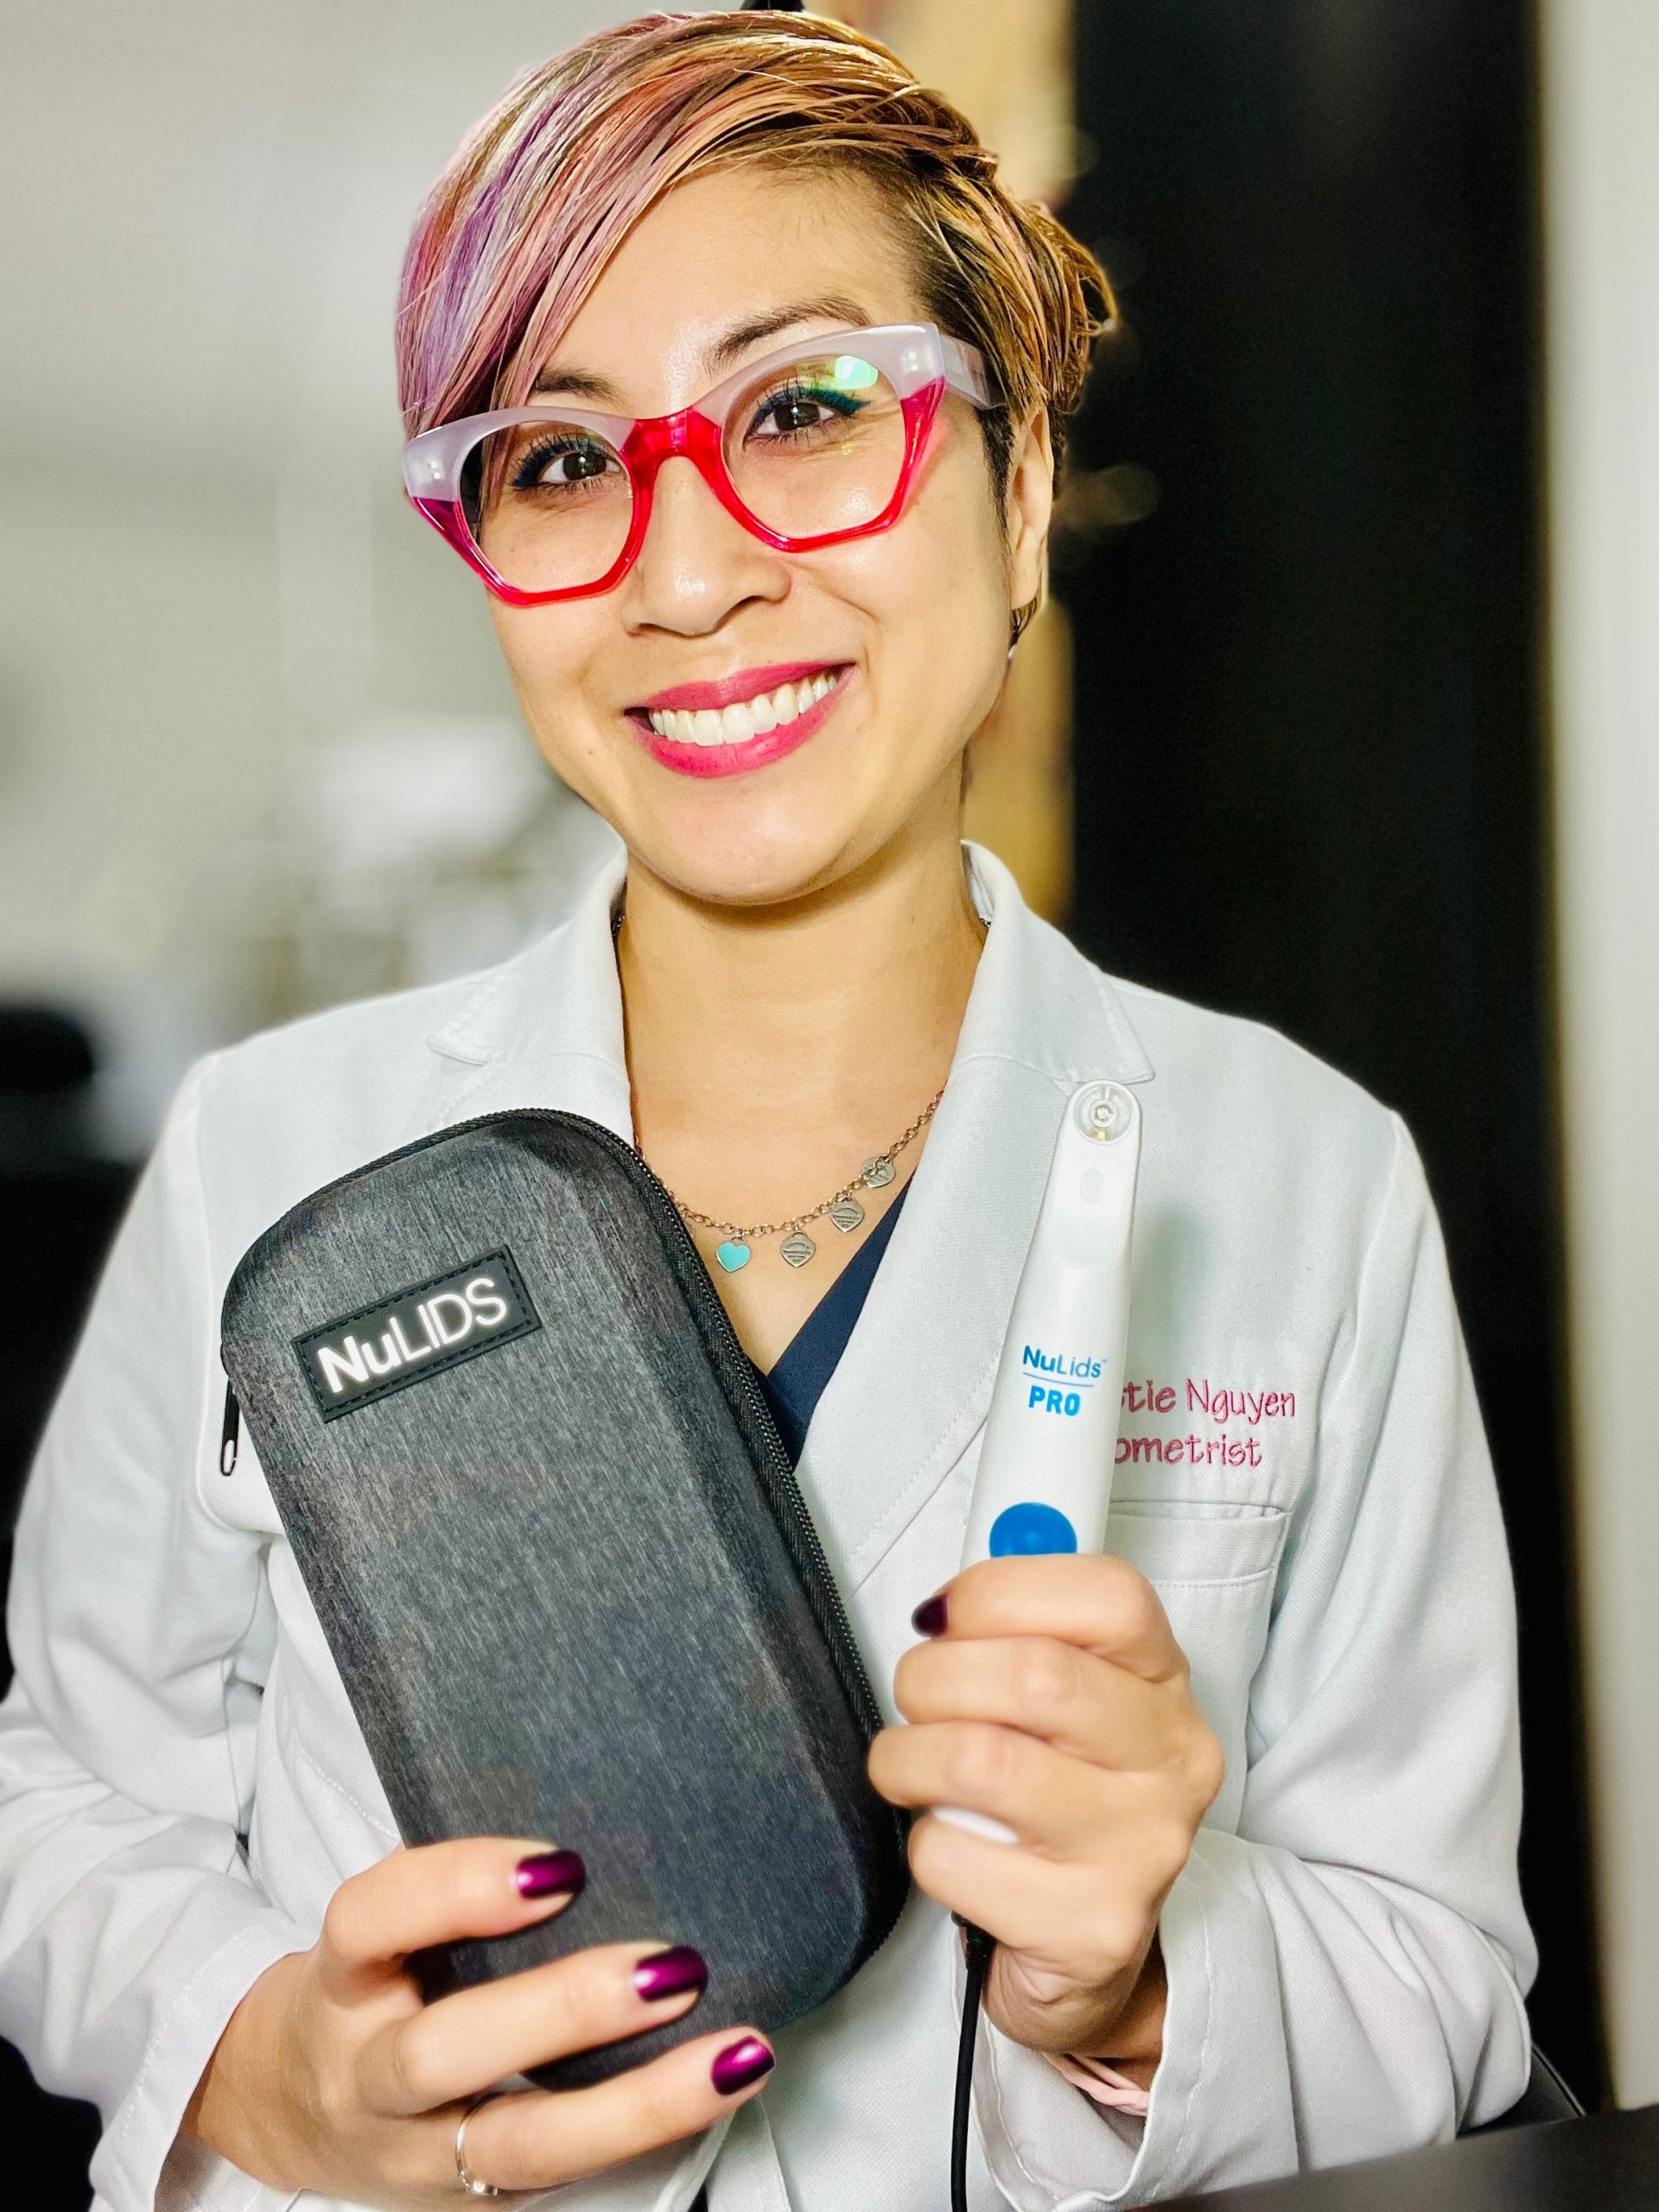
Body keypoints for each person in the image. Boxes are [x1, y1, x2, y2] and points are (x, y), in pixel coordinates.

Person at [0, 13, 1535, 2211]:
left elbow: (1434, 1978)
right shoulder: (275, 1148)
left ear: (1019, 491)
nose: (689, 570)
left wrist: (1134, 1983)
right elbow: (61, 1791)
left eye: (806, 409)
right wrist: (256, 2059)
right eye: (561, 457)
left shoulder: (1301, 1177)